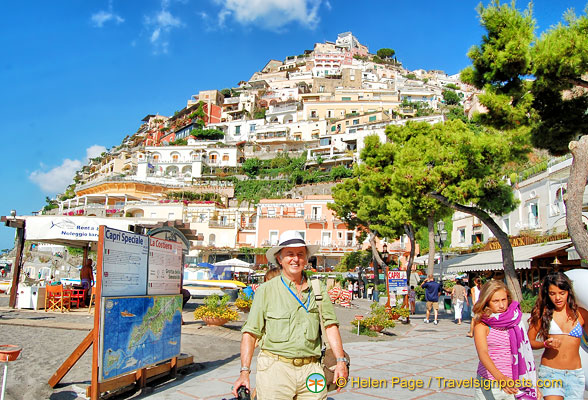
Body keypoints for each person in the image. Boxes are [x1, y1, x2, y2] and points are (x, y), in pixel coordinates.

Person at [232, 231, 348, 399]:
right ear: (280, 259)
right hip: (275, 370)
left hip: (312, 370)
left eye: (300, 254)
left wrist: (340, 361)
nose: (296, 259)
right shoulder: (266, 291)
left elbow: (330, 326)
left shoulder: (318, 289)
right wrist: (244, 372)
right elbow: (250, 333)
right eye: (290, 254)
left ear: (306, 259)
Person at [473, 280, 536, 400]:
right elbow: (483, 353)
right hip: (490, 383)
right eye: (495, 301)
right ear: (486, 302)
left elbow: (526, 353)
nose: (501, 305)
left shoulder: (515, 320)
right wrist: (501, 378)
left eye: (504, 300)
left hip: (515, 382)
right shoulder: (482, 325)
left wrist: (533, 385)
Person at [528, 272, 586, 400]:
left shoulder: (581, 314)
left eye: (562, 293)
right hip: (551, 372)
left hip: (575, 374)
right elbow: (529, 342)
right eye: (552, 294)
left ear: (568, 292)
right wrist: (544, 344)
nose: (557, 298)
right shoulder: (542, 313)